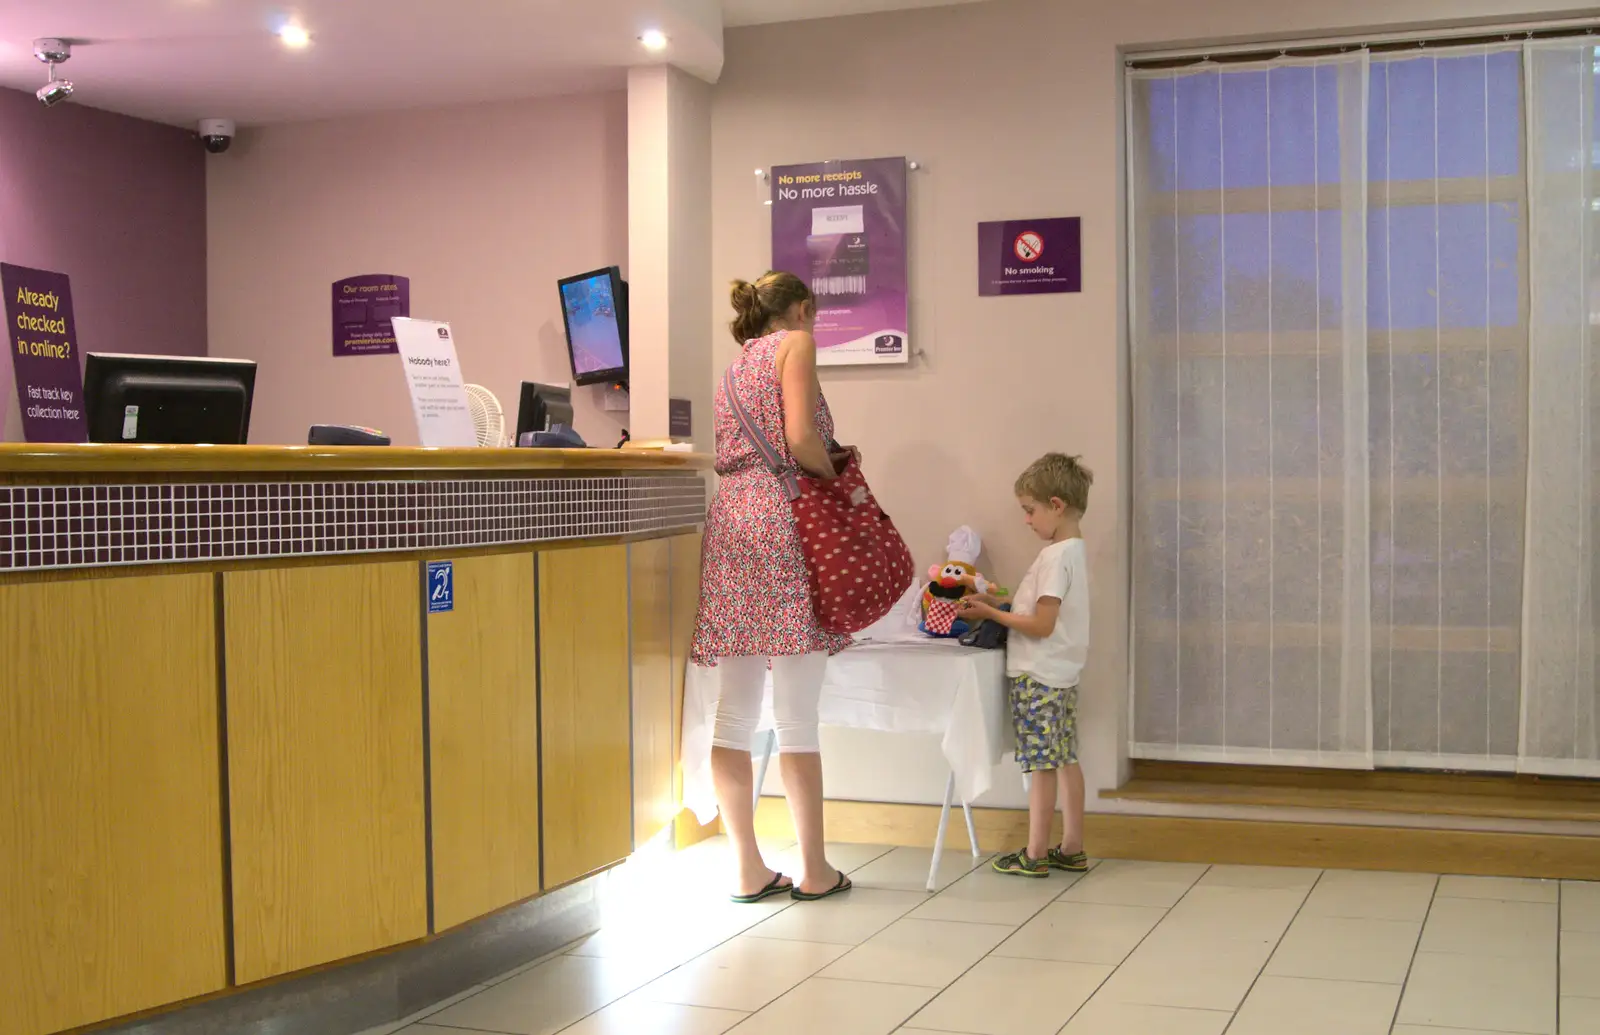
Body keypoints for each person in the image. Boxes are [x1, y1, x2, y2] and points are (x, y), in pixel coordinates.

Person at [691, 271, 853, 904]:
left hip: (731, 520)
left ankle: (748, 868)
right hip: (783, 519)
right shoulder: (797, 343)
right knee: (797, 718)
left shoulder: (736, 365)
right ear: (803, 308)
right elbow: (800, 438)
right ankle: (814, 870)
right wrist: (834, 479)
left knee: (733, 715)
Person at [957, 453, 1093, 877]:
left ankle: (1034, 853)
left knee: (1041, 764)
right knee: (1065, 757)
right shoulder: (1072, 551)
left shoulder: (1054, 557)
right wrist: (997, 601)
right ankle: (1071, 846)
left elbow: (1041, 623)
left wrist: (992, 616)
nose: (1026, 520)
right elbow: (1037, 606)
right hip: (1062, 673)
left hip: (1038, 676)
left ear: (1056, 505)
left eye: (1029, 511)